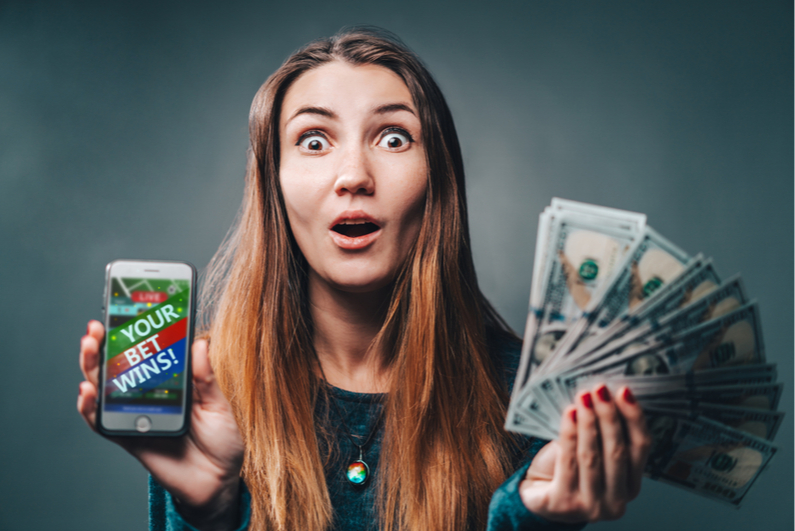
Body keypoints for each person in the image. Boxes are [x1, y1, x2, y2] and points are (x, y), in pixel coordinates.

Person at [78, 27, 652, 531]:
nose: (353, 175)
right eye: (313, 141)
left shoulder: (526, 398)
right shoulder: (203, 389)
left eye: (394, 137)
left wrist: (531, 521)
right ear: (272, 184)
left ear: (438, 183)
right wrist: (209, 516)